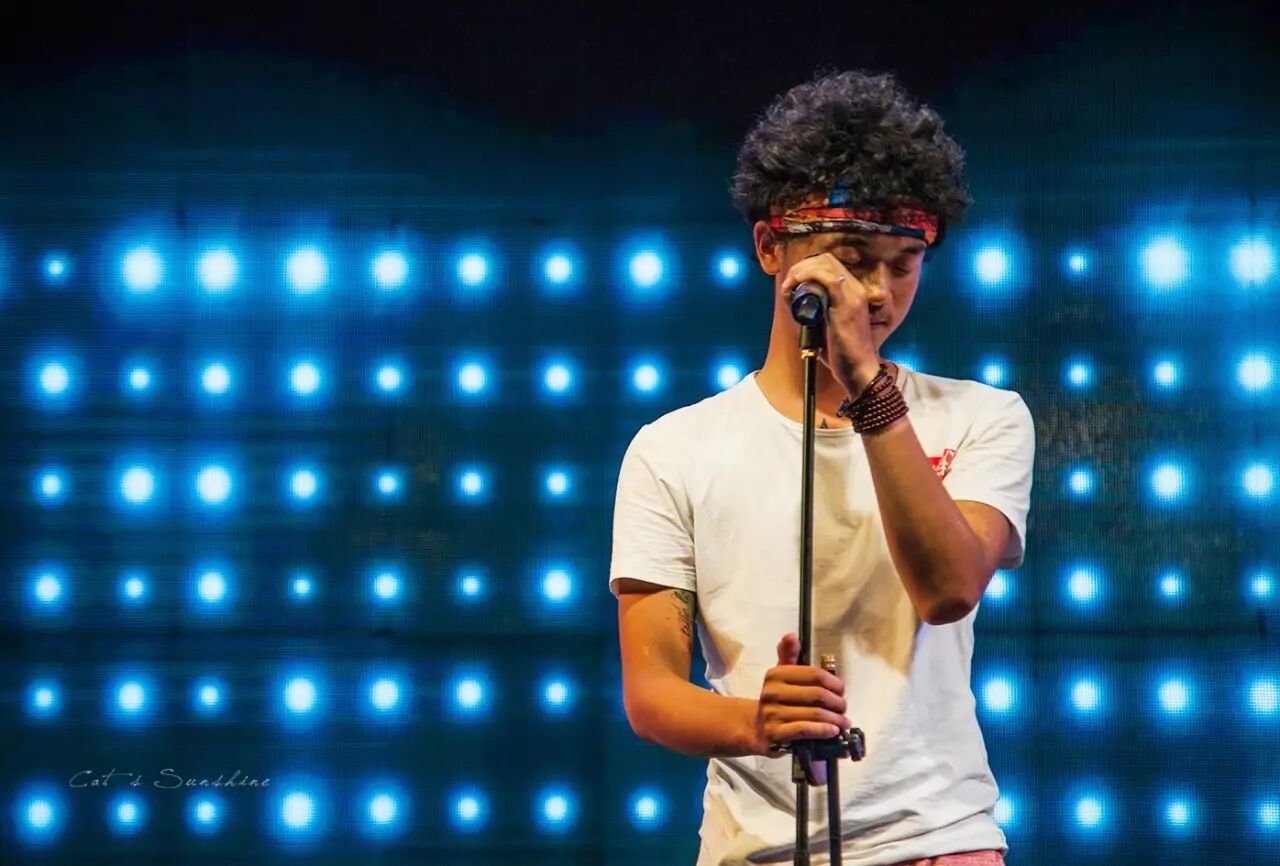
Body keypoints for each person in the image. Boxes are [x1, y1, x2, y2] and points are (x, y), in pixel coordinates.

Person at [609, 69, 1034, 866]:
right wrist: (756, 723)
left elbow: (947, 589)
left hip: (938, 844)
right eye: (853, 257)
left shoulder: (982, 416)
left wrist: (867, 384)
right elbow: (652, 693)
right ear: (771, 247)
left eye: (904, 262)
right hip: (756, 851)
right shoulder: (674, 449)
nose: (876, 291)